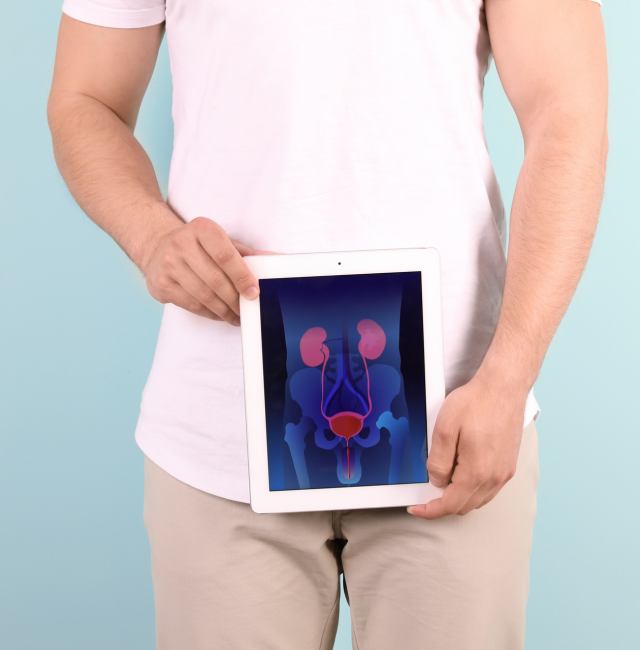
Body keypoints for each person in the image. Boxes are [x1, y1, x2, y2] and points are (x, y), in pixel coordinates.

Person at [47, 0, 607, 647]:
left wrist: (507, 379)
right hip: (219, 425)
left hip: (453, 420)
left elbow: (566, 114)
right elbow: (85, 98)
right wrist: (150, 237)